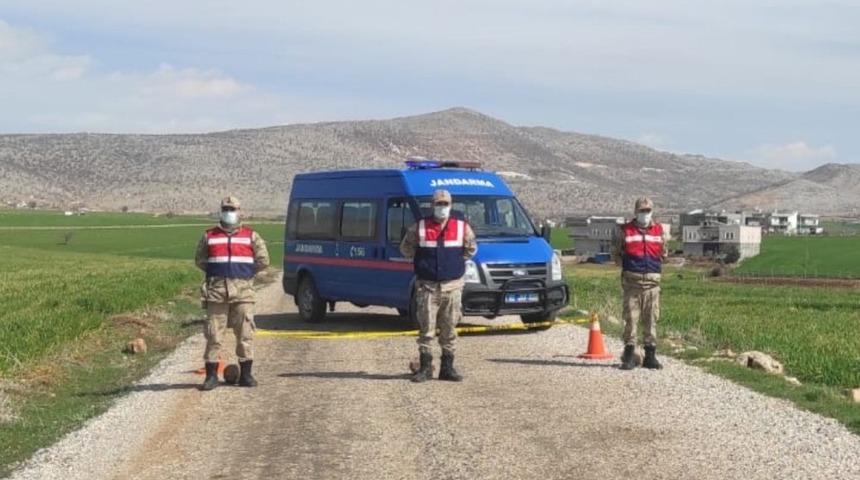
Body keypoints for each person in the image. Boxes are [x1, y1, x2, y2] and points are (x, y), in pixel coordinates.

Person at [400, 189, 477, 382]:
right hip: (427, 287)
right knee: (426, 330)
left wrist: (454, 264)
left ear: (451, 205)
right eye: (438, 204)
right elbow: (406, 248)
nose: (442, 208)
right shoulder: (419, 227)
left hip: (452, 287)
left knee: (450, 329)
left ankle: (447, 368)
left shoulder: (462, 227)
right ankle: (425, 368)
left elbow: (471, 249)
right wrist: (422, 263)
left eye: (445, 204)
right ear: (432, 205)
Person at [195, 196, 270, 390]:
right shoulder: (209, 236)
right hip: (217, 292)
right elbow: (200, 260)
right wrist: (217, 274)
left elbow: (263, 260)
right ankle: (211, 377)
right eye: (226, 208)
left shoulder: (251, 235)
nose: (229, 212)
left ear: (240, 211)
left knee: (245, 333)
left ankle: (246, 375)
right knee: (214, 334)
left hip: (243, 292)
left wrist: (245, 274)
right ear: (221, 211)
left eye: (233, 208)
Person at [612, 197, 668, 370]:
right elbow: (616, 254)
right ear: (636, 212)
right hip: (632, 283)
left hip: (652, 283)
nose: (645, 214)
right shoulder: (625, 231)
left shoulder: (659, 231)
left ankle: (650, 356)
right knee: (631, 320)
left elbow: (664, 253)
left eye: (648, 210)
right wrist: (629, 269)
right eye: (642, 211)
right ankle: (629, 356)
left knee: (651, 320)